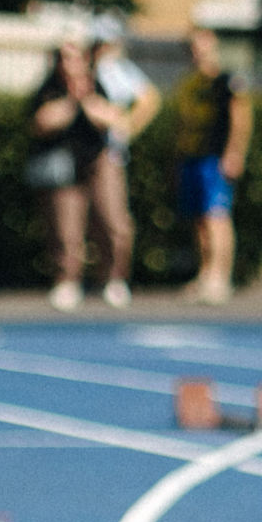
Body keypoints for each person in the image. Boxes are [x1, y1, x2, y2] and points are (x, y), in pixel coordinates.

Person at [32, 37, 132, 312]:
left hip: (99, 160)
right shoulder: (49, 89)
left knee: (114, 221)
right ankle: (67, 281)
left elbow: (115, 119)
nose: (71, 64)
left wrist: (88, 101)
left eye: (76, 58)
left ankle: (113, 278)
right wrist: (70, 103)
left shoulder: (99, 85)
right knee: (66, 228)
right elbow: (42, 122)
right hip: (65, 165)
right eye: (65, 58)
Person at [172, 27, 253, 303]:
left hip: (214, 158)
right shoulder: (190, 83)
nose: (197, 51)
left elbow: (240, 118)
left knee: (216, 215)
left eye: (202, 45)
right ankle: (205, 273)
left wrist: (234, 153)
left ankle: (221, 277)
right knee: (199, 219)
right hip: (192, 157)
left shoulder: (226, 80)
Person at [85, 18, 157, 307]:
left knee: (114, 219)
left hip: (107, 153)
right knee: (82, 222)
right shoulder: (84, 68)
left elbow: (148, 99)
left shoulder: (118, 70)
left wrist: (126, 125)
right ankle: (91, 277)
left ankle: (115, 277)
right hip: (79, 151)